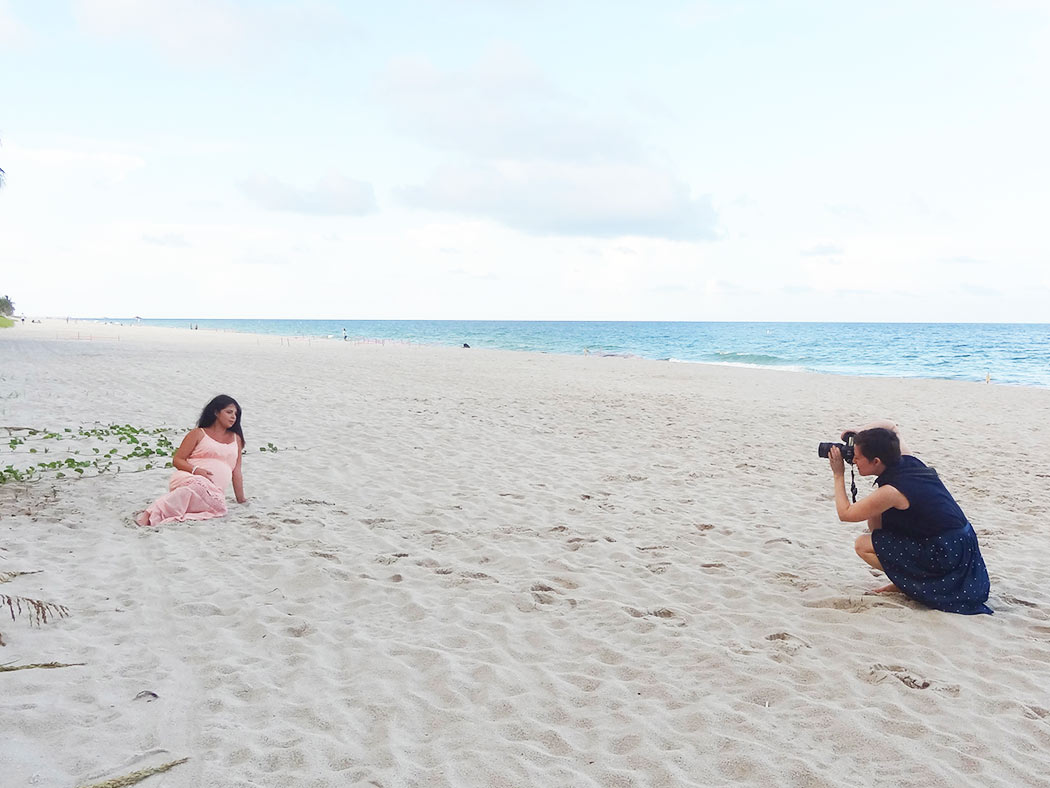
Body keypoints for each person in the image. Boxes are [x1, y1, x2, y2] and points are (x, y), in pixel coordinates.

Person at [828, 420, 992, 615]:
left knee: (863, 545)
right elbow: (892, 427)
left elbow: (845, 514)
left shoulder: (892, 491)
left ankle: (908, 582)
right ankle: (904, 579)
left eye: (857, 457)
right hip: (961, 544)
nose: (852, 460)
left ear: (876, 462)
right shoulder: (905, 459)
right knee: (876, 518)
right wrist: (860, 433)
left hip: (946, 554)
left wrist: (838, 474)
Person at [136, 395, 247, 526]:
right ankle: (149, 515)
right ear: (216, 412)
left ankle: (162, 515)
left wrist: (241, 500)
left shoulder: (236, 439)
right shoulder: (198, 433)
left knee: (220, 507)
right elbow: (177, 460)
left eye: (236, 414)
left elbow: (236, 471)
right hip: (189, 477)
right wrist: (196, 471)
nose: (233, 416)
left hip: (213, 492)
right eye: (229, 412)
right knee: (196, 485)